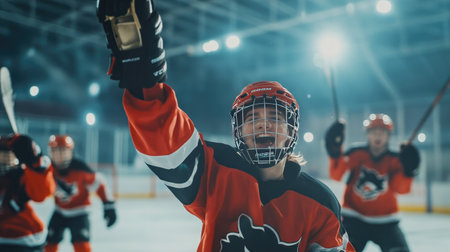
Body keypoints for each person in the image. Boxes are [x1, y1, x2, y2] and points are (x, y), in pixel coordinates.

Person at [97, 0, 355, 251]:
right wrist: (146, 85)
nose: (263, 125)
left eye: (275, 118)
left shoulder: (321, 202)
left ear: (292, 131)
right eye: (252, 119)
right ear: (238, 131)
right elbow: (167, 143)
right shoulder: (216, 171)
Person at [325, 114, 420, 252]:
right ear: (367, 135)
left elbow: (401, 189)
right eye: (373, 131)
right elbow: (336, 175)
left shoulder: (396, 159)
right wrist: (334, 151)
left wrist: (409, 171)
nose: (378, 136)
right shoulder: (355, 153)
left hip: (386, 222)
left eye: (382, 132)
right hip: (353, 218)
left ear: (388, 136)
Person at [44, 135, 117, 252]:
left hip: (80, 213)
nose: (59, 156)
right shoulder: (48, 169)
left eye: (63, 152)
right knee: (49, 244)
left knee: (82, 245)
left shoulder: (81, 169)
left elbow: (100, 183)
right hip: (60, 211)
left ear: (71, 152)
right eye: (55, 152)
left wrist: (109, 206)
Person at [0, 134, 56, 252]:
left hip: (25, 240)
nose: (4, 163)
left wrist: (34, 160)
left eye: (8, 157)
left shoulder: (22, 175)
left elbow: (41, 193)